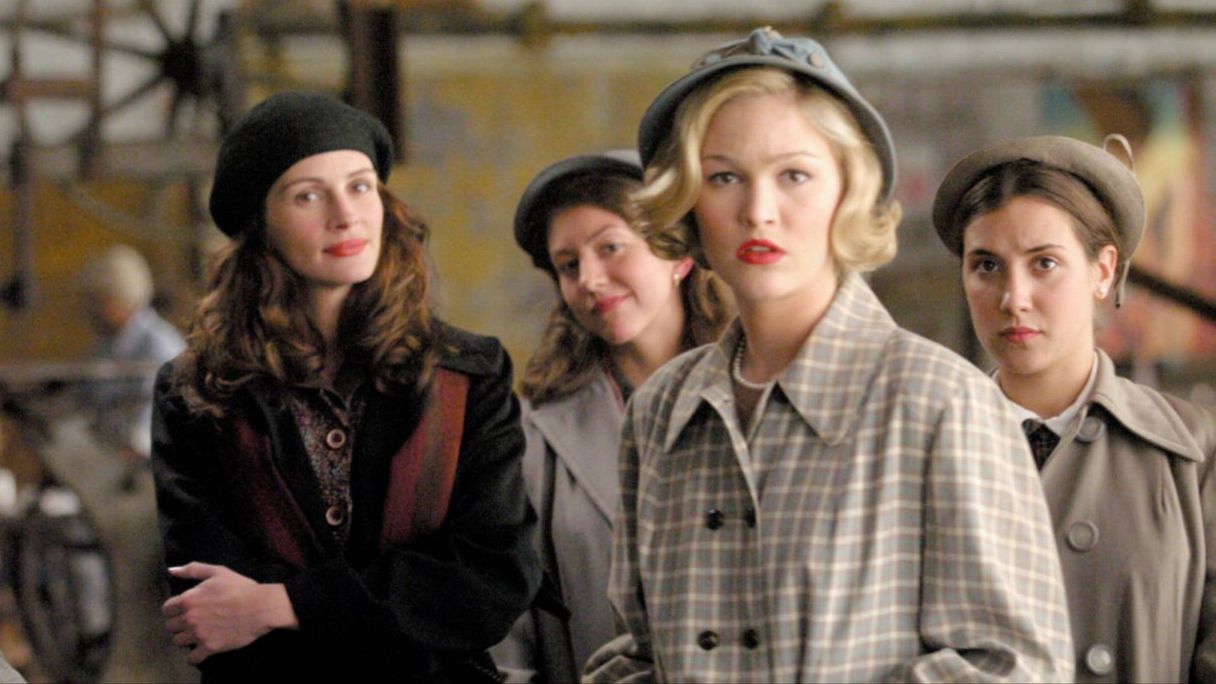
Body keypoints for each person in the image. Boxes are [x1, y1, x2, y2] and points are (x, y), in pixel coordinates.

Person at [583, 27, 1074, 682]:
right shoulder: (660, 411)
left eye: (794, 175)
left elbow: (1017, 668)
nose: (759, 211)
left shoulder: (940, 402)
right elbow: (640, 655)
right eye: (724, 176)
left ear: (849, 191)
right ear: (689, 200)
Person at [150, 91, 541, 682]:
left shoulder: (468, 373)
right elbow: (209, 608)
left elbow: (492, 582)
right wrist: (400, 611)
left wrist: (280, 604)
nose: (346, 215)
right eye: (308, 195)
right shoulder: (198, 392)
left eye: (360, 186)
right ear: (260, 224)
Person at [932, 134, 1216, 682]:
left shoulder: (1194, 453)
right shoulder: (926, 451)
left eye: (1044, 263)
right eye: (986, 266)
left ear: (1103, 271)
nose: (1013, 298)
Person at [490, 151, 731, 682]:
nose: (590, 279)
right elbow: (510, 631)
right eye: (568, 265)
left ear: (678, 253)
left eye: (610, 247)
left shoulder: (756, 393)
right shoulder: (532, 437)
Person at [78, 244, 185, 458]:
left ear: (121, 301)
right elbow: (89, 402)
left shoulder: (161, 347)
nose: (92, 310)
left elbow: (147, 432)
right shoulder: (104, 345)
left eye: (100, 301)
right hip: (108, 454)